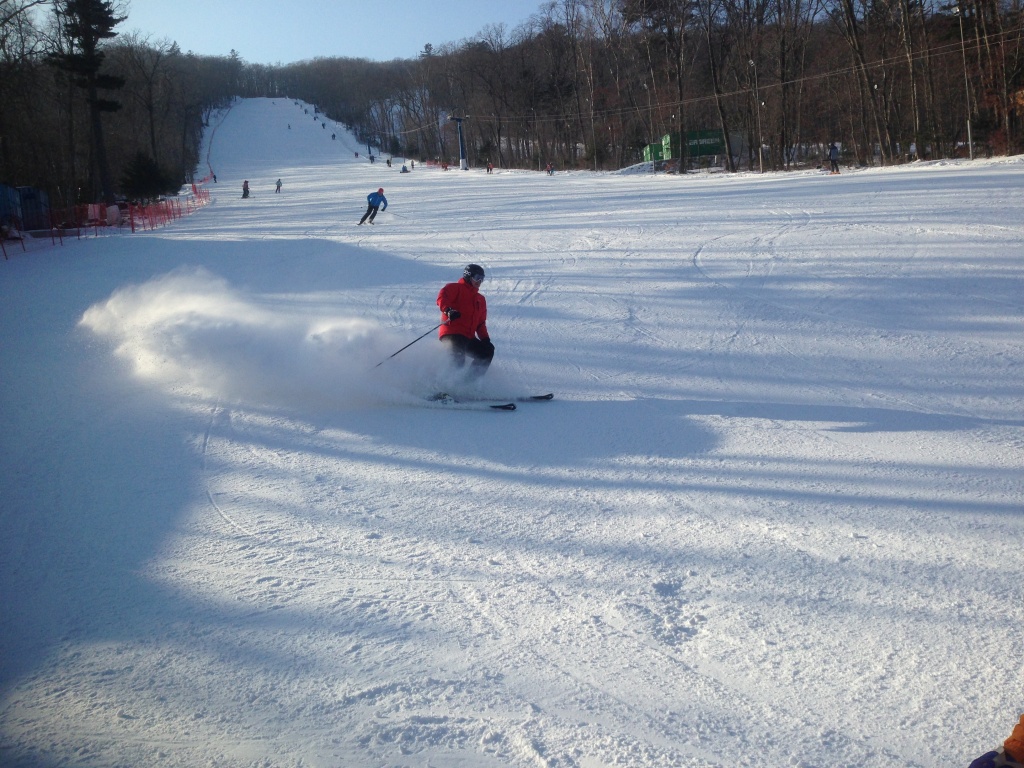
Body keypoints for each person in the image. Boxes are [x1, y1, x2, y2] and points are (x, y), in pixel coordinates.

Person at [436, 264, 494, 379]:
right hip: (453, 333)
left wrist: (485, 339)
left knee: (487, 351)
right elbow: (442, 298)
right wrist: (449, 311)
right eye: (477, 277)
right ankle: (445, 388)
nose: (479, 281)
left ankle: (467, 385)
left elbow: (481, 323)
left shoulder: (480, 299)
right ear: (468, 276)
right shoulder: (455, 288)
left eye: (482, 278)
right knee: (458, 362)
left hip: (468, 337)